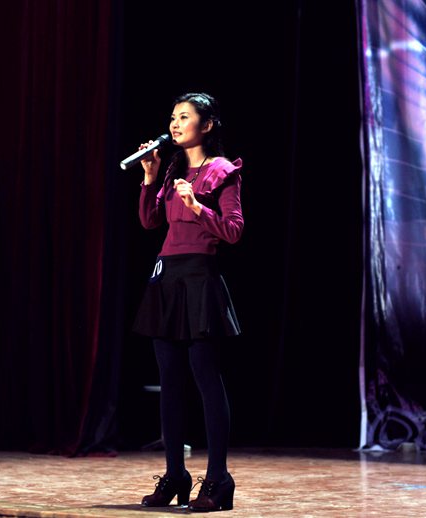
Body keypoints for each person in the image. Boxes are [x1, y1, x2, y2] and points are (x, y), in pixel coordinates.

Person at [132, 92, 243, 512]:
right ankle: (175, 473)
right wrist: (150, 176)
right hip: (167, 277)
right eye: (172, 117)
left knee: (205, 376)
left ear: (207, 124)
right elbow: (149, 221)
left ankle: (218, 479)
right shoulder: (172, 169)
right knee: (170, 380)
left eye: (184, 117)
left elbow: (233, 230)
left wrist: (197, 206)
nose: (175, 124)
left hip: (199, 277)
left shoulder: (222, 170)